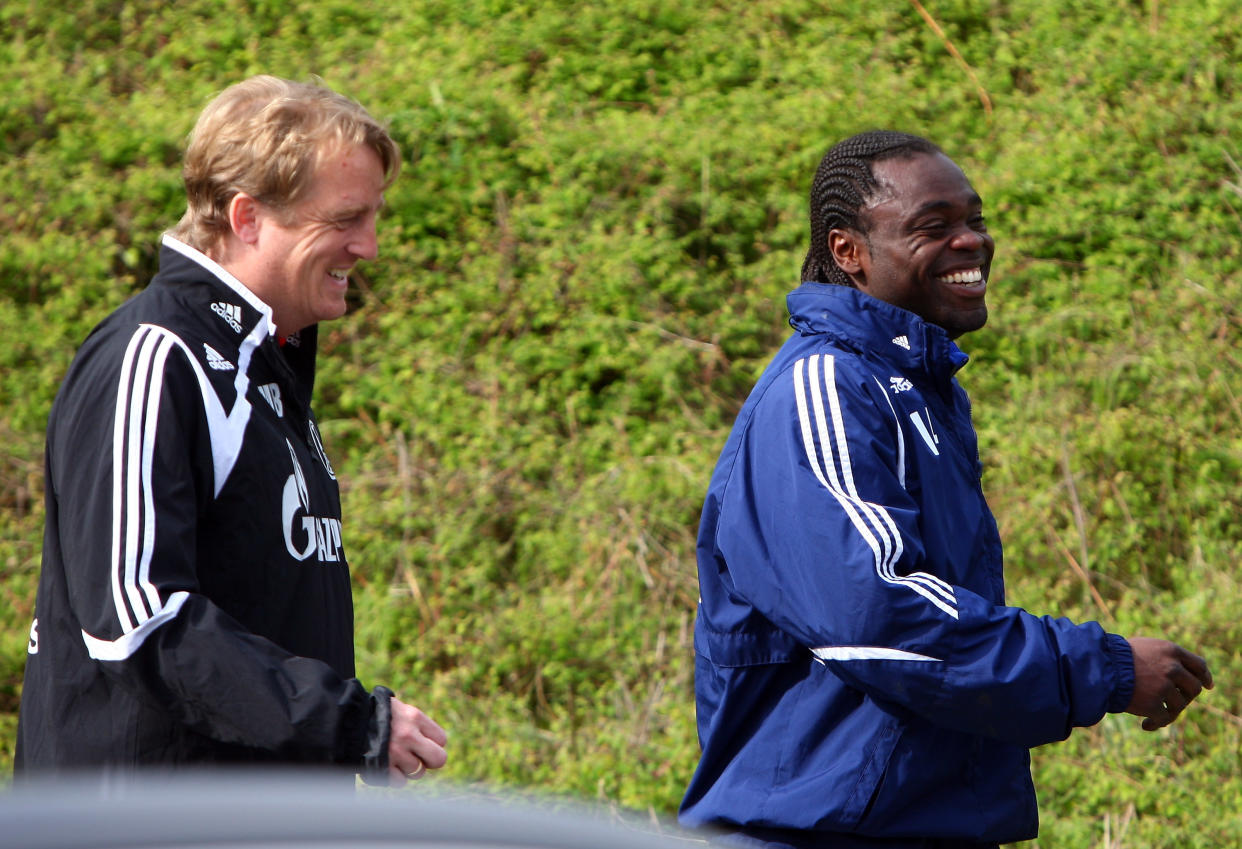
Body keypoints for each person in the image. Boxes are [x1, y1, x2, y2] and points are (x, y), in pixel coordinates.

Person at [679, 130, 1212, 848]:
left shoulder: (915, 391)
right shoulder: (825, 390)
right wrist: (1103, 668)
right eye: (934, 226)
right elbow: (882, 619)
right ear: (849, 251)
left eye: (976, 221)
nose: (971, 243)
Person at [16, 75, 446, 786]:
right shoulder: (155, 356)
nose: (368, 247)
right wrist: (350, 724)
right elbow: (139, 620)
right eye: (346, 219)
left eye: (373, 218)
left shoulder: (265, 366)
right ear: (247, 217)